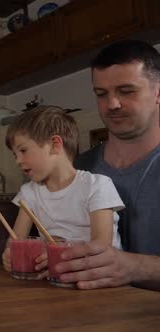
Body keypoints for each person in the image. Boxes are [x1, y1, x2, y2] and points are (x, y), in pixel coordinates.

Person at [54, 40, 160, 290]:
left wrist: (134, 267)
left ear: (158, 93)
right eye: (101, 94)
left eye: (127, 91)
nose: (112, 104)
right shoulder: (76, 169)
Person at [0, 106, 124, 276]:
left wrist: (58, 257)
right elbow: (16, 240)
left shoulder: (97, 185)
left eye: (23, 150)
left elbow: (101, 246)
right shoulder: (29, 193)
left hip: (101, 278)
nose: (18, 161)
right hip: (56, 277)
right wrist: (10, 254)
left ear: (54, 144)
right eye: (15, 155)